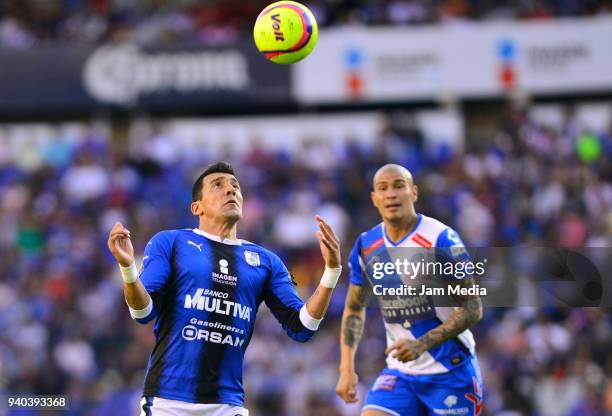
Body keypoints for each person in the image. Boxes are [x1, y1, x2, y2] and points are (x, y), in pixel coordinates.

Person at [107, 161, 342, 416]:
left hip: (228, 406)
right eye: (218, 185)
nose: (230, 191)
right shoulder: (171, 242)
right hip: (168, 403)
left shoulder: (266, 262)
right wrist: (128, 267)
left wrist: (331, 272)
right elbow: (142, 312)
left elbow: (302, 327)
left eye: (235, 186)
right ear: (197, 206)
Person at [335, 164, 484, 416]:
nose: (391, 194)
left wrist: (421, 344)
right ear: (374, 198)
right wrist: (346, 368)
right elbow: (354, 307)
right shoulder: (366, 245)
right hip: (401, 373)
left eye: (398, 185)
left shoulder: (442, 239)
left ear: (413, 192)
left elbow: (473, 308)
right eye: (383, 188)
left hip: (450, 370)